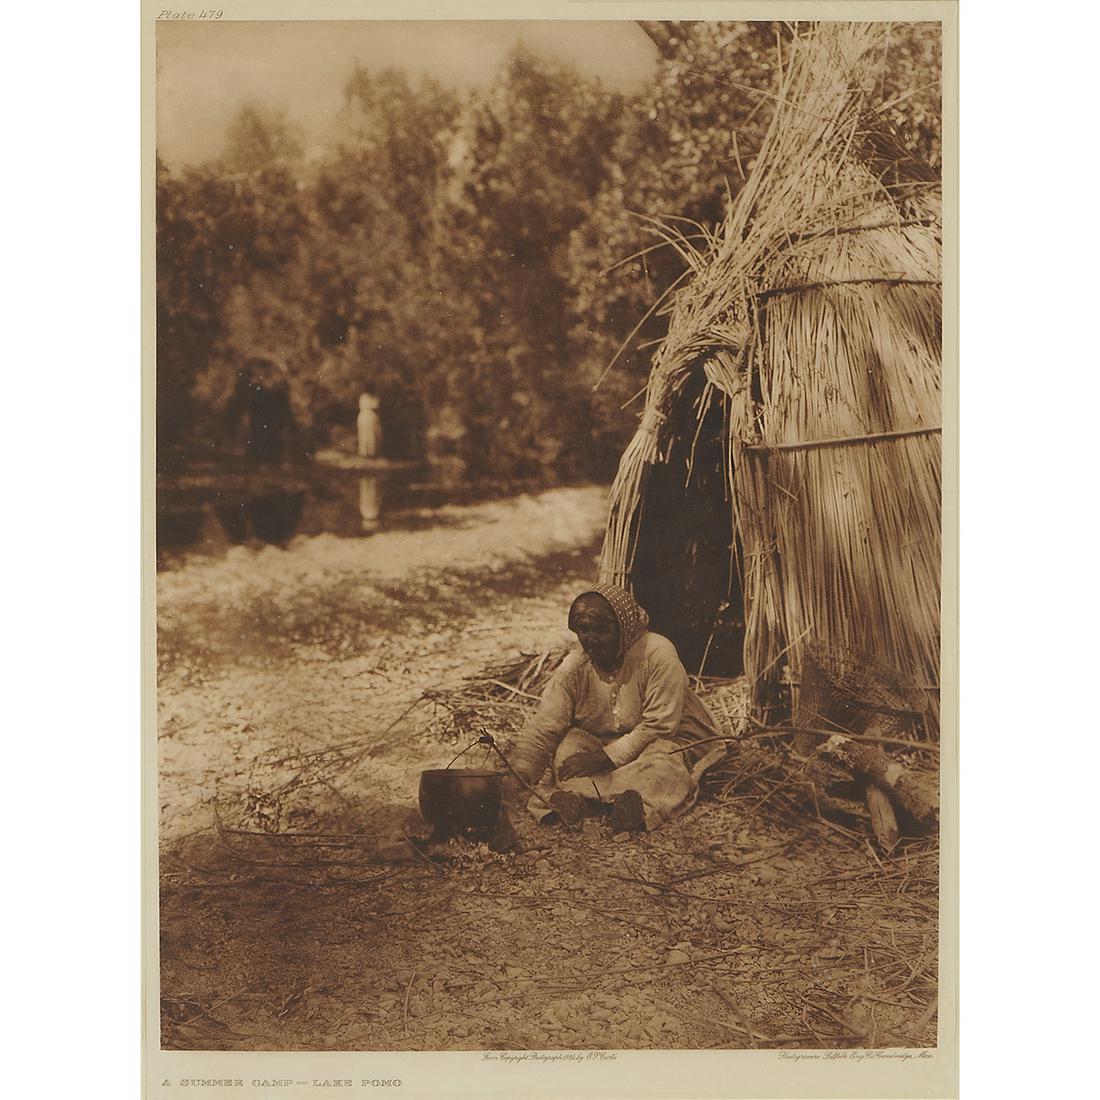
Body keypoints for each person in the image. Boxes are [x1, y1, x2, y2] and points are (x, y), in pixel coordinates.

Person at [508, 583, 720, 833]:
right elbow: (544, 727)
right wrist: (518, 773)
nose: (591, 639)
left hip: (659, 741)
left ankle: (633, 805)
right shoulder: (575, 668)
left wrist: (605, 758)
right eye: (583, 630)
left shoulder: (657, 654)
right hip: (598, 742)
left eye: (602, 628)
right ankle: (580, 801)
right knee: (568, 749)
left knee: (663, 765)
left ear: (624, 626)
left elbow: (660, 725)